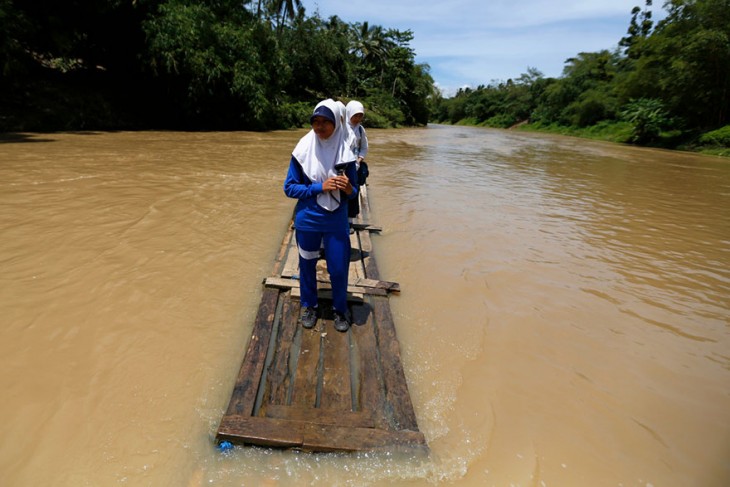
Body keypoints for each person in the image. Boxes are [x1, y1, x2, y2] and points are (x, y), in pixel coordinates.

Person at [283, 99, 358, 332]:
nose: (320, 126)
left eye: (326, 121)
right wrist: (319, 187)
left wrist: (346, 188)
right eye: (316, 121)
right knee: (307, 264)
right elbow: (289, 188)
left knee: (338, 267)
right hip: (308, 219)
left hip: (336, 220)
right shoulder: (302, 151)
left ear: (337, 124)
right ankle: (309, 305)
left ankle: (339, 308)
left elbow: (354, 190)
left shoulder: (346, 154)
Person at [345, 100, 370, 223]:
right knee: (340, 190)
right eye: (355, 115)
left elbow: (364, 147)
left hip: (355, 166)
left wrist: (359, 160)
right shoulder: (341, 128)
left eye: (360, 116)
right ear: (349, 113)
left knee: (353, 191)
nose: (358, 118)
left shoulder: (360, 130)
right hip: (341, 165)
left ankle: (350, 220)